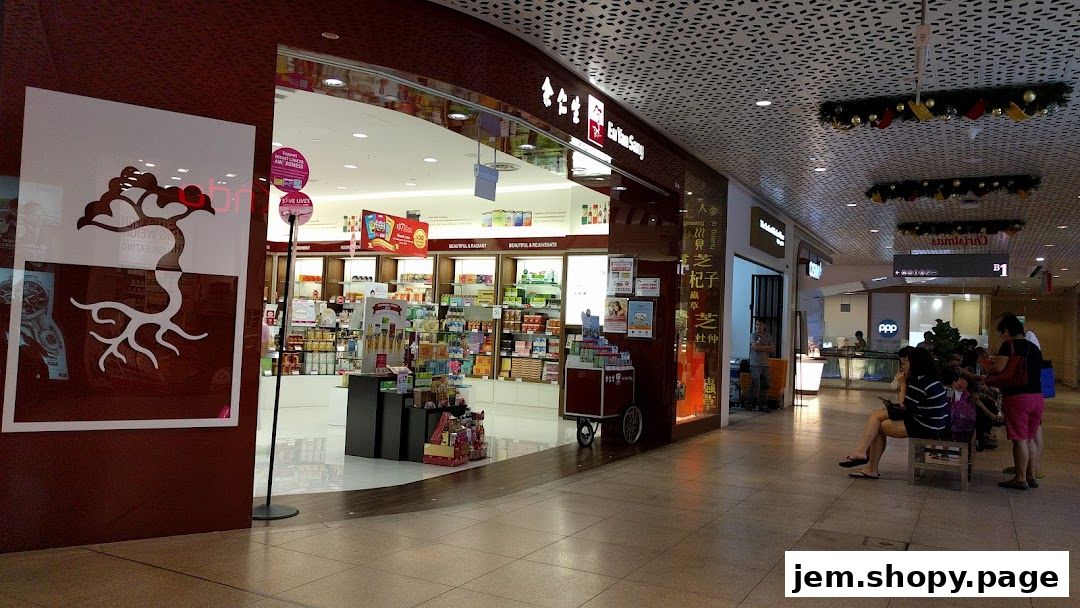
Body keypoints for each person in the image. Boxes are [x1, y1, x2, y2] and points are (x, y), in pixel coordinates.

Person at [839, 347, 948, 479]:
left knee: (877, 425)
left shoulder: (920, 383)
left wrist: (902, 384)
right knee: (877, 417)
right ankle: (863, 456)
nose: (904, 366)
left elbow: (903, 409)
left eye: (906, 362)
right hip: (933, 422)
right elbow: (909, 407)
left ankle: (865, 460)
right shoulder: (930, 379)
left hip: (926, 426)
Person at [986, 313, 1045, 490]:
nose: (1001, 336)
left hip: (1018, 397)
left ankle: (1020, 478)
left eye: (1001, 332)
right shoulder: (1034, 348)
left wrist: (987, 366)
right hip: (1037, 396)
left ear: (1006, 331)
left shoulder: (1009, 345)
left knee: (1019, 439)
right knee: (1029, 437)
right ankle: (1031, 476)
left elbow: (999, 368)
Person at [748, 318, 775, 412]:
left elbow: (772, 349)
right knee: (755, 383)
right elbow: (755, 347)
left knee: (765, 383)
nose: (758, 327)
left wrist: (761, 348)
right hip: (755, 363)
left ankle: (763, 404)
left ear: (764, 326)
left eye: (760, 325)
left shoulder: (768, 336)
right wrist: (766, 347)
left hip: (765, 364)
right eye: (757, 325)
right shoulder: (754, 335)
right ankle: (750, 403)